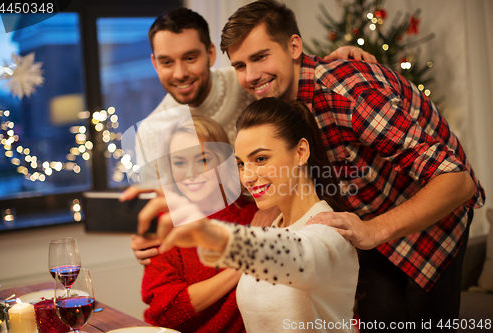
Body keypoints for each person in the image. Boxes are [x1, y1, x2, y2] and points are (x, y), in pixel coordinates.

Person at [217, 0, 485, 331]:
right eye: (240, 65)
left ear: (294, 46)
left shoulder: (349, 93)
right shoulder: (271, 97)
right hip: (368, 220)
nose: (251, 75)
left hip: (433, 217)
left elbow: (457, 182)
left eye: (260, 57)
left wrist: (373, 229)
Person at [121, 6, 377, 264]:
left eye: (190, 58)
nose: (179, 73)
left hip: (281, 224)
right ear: (154, 63)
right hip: (212, 248)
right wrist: (147, 242)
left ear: (210, 53)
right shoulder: (150, 132)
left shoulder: (248, 82)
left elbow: (293, 79)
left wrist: (343, 57)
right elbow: (160, 216)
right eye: (166, 62)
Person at [139, 98, 359, 333]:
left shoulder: (330, 229)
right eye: (242, 164)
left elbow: (300, 256)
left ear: (301, 152)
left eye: (261, 159)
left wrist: (209, 235)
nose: (247, 177)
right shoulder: (272, 226)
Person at [140, 114, 258, 332]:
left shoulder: (255, 215)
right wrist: (245, 264)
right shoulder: (165, 222)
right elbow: (165, 310)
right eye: (179, 162)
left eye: (203, 160)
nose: (190, 173)